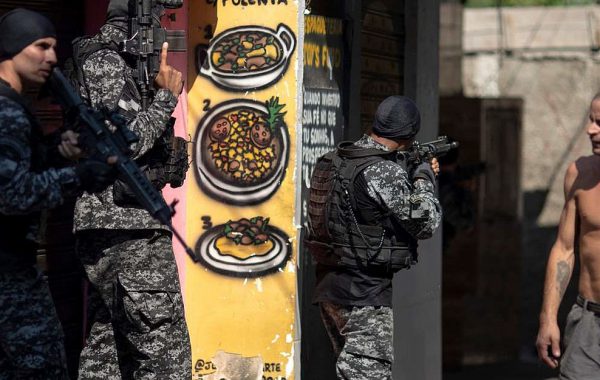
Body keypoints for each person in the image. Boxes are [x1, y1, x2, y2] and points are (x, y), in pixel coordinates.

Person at [71, 1, 191, 379]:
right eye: (162, 22)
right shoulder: (106, 62)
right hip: (127, 229)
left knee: (108, 355)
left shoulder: (120, 63)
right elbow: (121, 144)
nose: (165, 33)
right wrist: (165, 98)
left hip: (121, 227)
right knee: (165, 358)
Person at [0, 8, 115, 379]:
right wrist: (77, 176)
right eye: (41, 46)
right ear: (11, 48)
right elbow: (12, 195)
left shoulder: (14, 107)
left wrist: (55, 149)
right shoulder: (7, 112)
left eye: (54, 46)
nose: (51, 57)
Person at [305, 95, 442, 379]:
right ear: (408, 135)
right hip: (364, 293)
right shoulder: (382, 170)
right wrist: (424, 178)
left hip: (331, 286)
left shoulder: (336, 159)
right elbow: (426, 223)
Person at [536, 94, 600, 379]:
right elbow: (563, 249)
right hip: (588, 321)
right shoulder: (579, 174)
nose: (590, 129)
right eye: (591, 119)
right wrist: (548, 317)